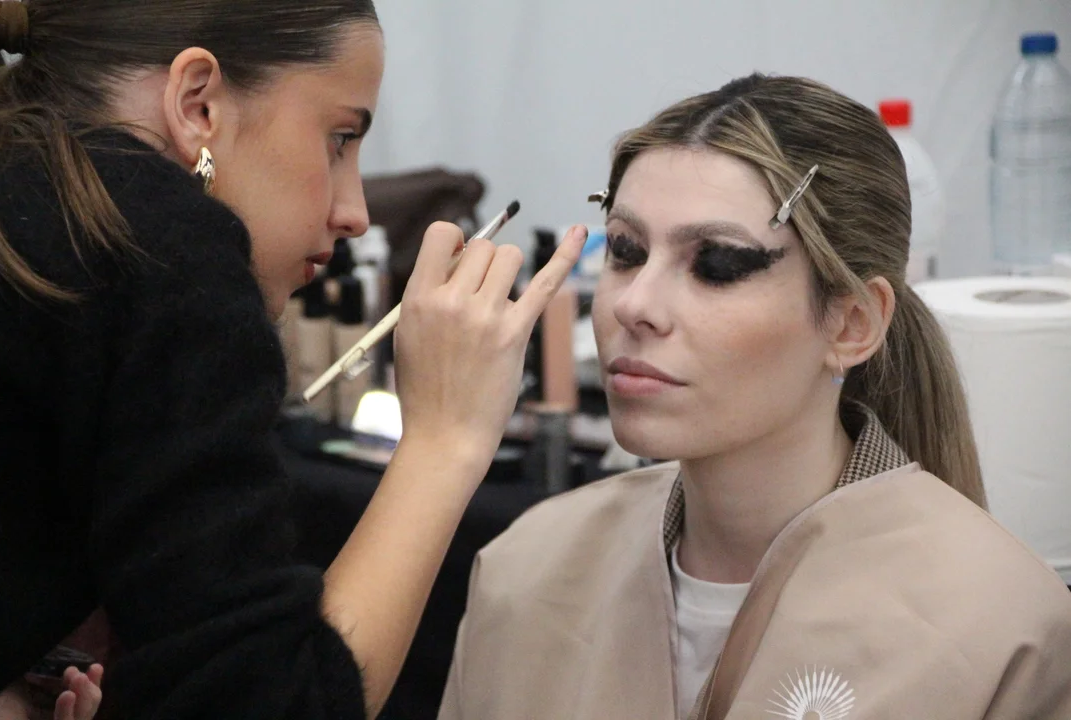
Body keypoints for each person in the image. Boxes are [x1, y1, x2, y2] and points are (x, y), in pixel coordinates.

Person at [0, 1, 587, 718]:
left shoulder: (34, 203)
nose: (355, 212)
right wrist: (446, 439)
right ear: (197, 103)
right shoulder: (162, 255)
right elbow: (269, 704)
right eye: (339, 139)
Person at [438, 74, 1071, 720]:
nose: (634, 304)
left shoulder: (1002, 633)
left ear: (852, 324)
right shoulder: (525, 572)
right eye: (625, 252)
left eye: (717, 264)